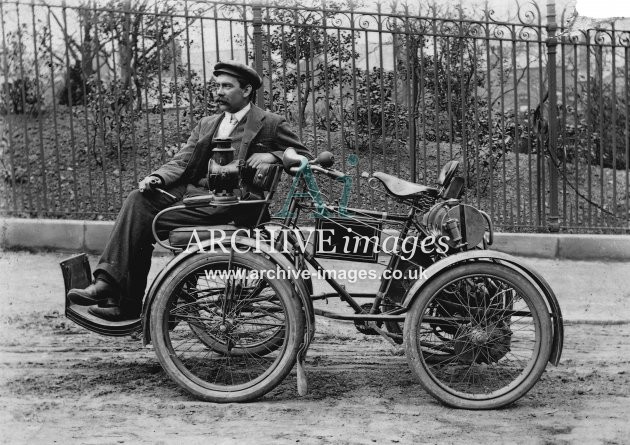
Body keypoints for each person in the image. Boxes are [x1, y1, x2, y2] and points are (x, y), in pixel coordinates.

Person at [67, 60, 310, 322]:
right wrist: (157, 177)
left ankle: (123, 300)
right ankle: (110, 285)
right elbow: (182, 160)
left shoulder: (269, 123)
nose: (219, 92)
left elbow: (304, 156)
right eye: (218, 86)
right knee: (139, 201)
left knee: (144, 223)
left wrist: (273, 156)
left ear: (247, 90)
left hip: (236, 206)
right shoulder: (208, 124)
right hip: (198, 197)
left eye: (227, 86)